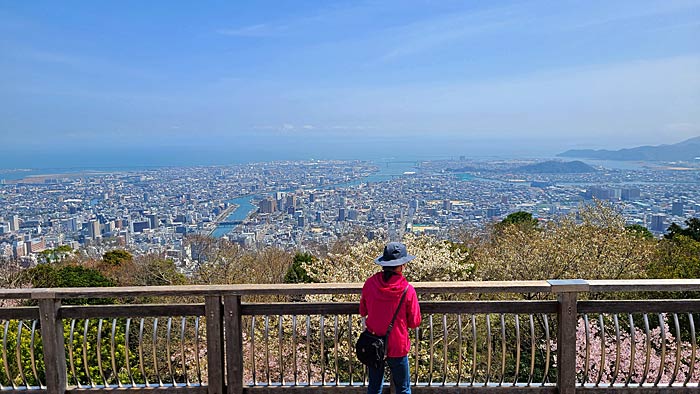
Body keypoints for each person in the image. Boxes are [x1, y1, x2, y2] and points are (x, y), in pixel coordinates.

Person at [360, 242, 422, 394]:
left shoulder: (370, 284)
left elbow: (363, 311)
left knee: (374, 387)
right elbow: (415, 322)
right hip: (398, 344)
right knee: (403, 388)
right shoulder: (407, 290)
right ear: (401, 266)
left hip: (374, 343)